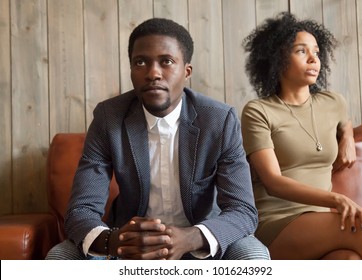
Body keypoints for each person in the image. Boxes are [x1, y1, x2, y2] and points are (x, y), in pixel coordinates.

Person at [46, 17, 269, 260]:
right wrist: (115, 241)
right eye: (140, 62)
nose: (153, 73)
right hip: (128, 243)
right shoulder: (109, 117)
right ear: (131, 69)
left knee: (253, 253)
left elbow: (243, 210)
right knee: (61, 256)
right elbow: (81, 209)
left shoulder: (219, 120)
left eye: (167, 62)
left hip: (200, 240)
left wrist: (191, 237)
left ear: (187, 71)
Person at [240, 12, 362, 260]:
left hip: (323, 221)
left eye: (317, 52)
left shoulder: (332, 102)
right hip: (278, 223)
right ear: (278, 59)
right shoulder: (258, 111)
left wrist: (348, 138)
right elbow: (272, 181)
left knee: (349, 261)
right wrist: (338, 199)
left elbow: (344, 118)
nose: (313, 59)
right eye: (301, 51)